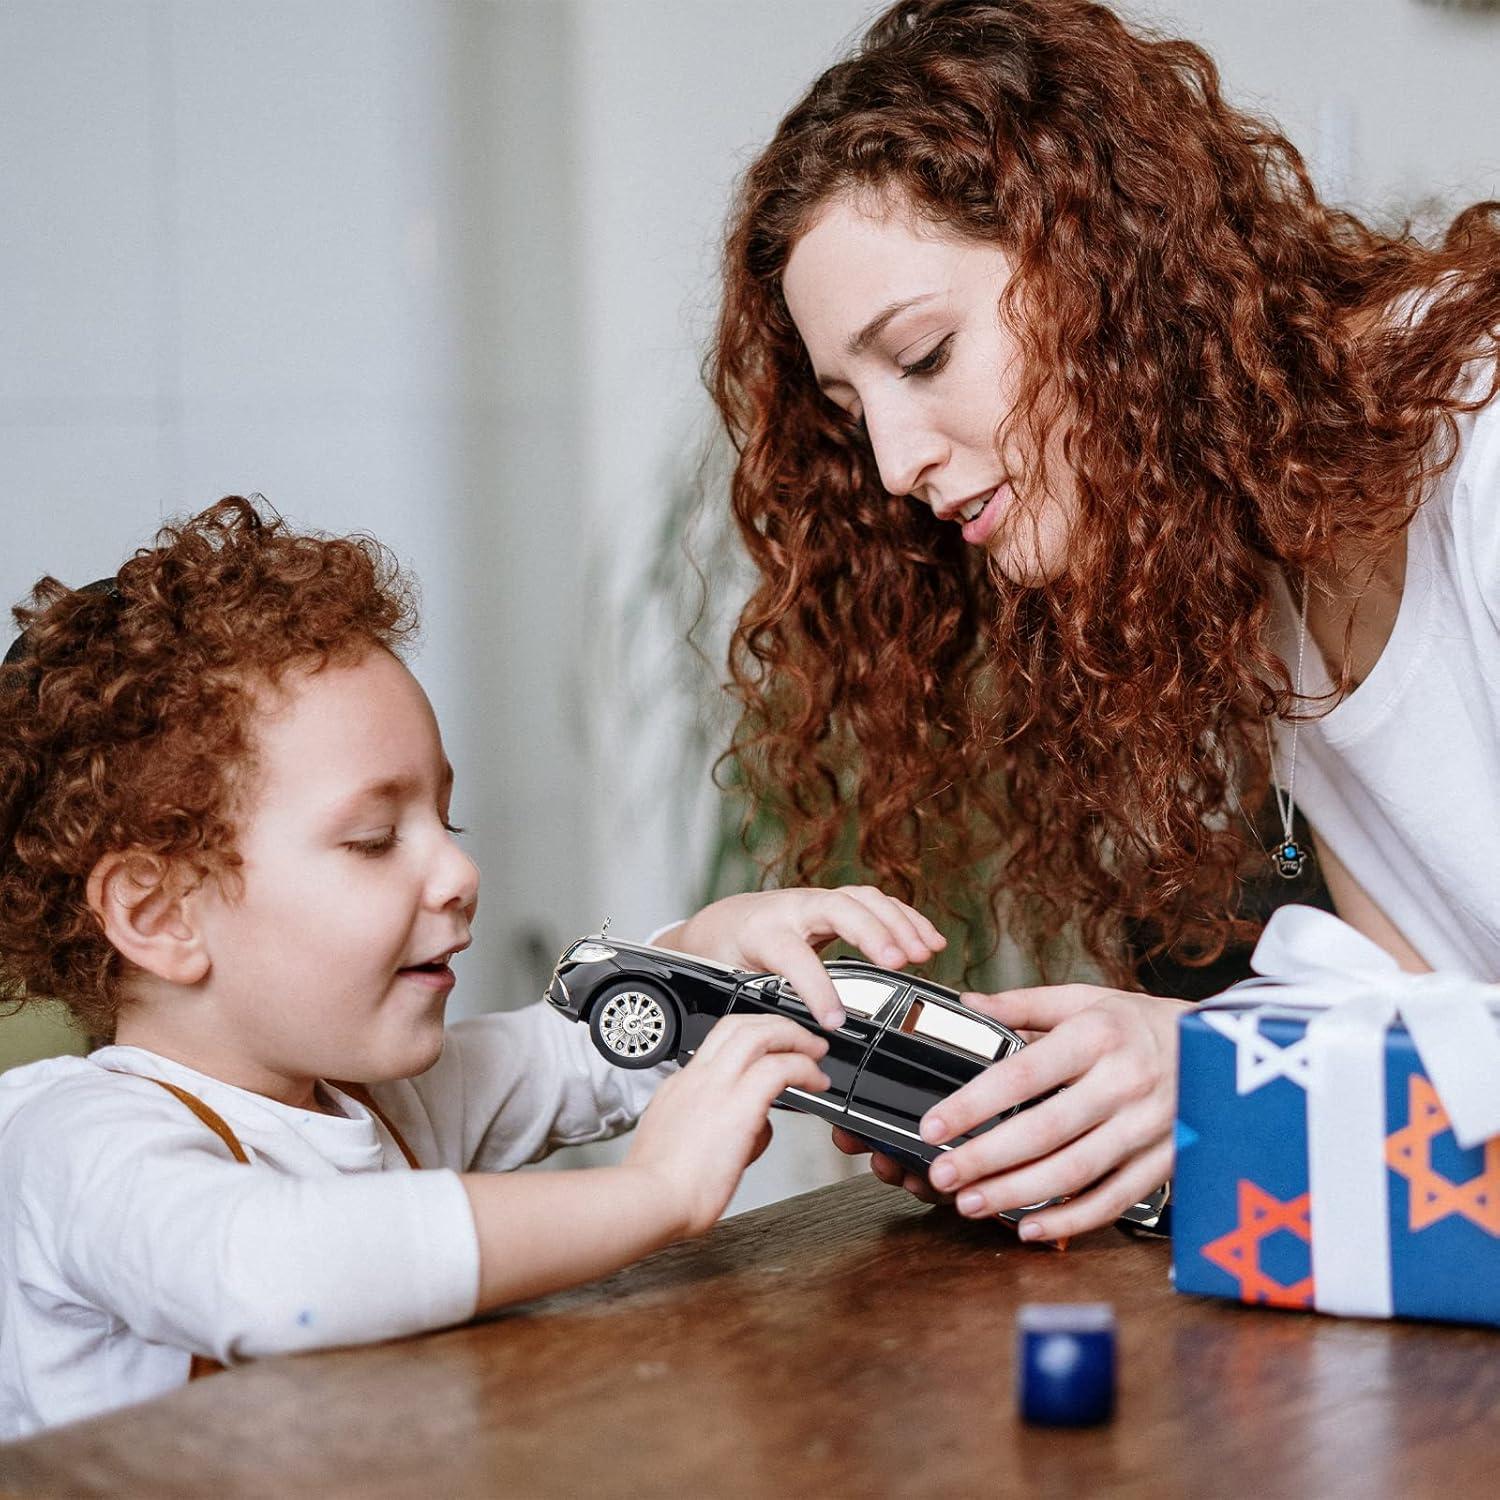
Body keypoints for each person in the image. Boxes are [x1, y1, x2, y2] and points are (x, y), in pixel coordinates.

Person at [709, 0, 1500, 1242]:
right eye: (852, 407)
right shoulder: (1261, 566)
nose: (895, 464)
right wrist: (1110, 1094)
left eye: (920, 356)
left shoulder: (1486, 447)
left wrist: (1216, 1072)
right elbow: (1438, 1027)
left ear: (1109, 262)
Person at [0, 496, 944, 1438]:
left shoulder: (384, 1101)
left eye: (443, 822)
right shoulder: (70, 1143)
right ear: (159, 914)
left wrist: (709, 954)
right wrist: (648, 1195)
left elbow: (588, 1049)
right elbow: (263, 1273)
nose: (458, 872)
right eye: (373, 841)